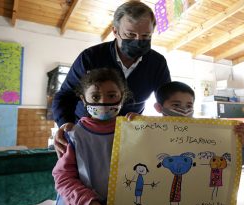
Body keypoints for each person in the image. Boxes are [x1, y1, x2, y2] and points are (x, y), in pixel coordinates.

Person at [52, 0, 171, 157]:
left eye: (145, 36)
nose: (138, 41)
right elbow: (64, 96)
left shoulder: (157, 63)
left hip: (129, 138)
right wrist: (65, 124)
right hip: (86, 134)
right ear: (115, 31)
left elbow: (168, 102)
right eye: (130, 34)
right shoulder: (90, 58)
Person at [52, 68, 131, 205]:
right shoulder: (74, 135)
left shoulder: (131, 131)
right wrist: (89, 203)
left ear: (122, 97)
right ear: (83, 99)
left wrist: (141, 126)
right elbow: (63, 177)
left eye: (112, 95)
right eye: (95, 96)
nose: (103, 102)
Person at [127, 81, 244, 164]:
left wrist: (243, 145)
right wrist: (134, 127)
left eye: (189, 105)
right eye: (176, 104)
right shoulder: (149, 130)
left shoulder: (206, 133)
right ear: (159, 107)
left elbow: (232, 163)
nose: (184, 110)